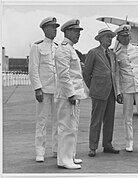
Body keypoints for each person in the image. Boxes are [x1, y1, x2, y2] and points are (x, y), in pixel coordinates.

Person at [114, 24, 138, 152]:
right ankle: (129, 142)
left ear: (130, 36)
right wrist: (118, 91)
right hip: (127, 87)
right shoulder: (117, 53)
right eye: (123, 36)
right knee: (127, 117)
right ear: (118, 38)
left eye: (127, 36)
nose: (126, 38)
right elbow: (116, 74)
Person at [54, 19, 87, 169]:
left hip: (74, 94)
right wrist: (71, 94)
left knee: (72, 127)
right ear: (67, 32)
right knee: (66, 127)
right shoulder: (63, 49)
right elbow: (63, 74)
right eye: (75, 32)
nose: (78, 35)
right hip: (67, 95)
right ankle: (64, 160)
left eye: (79, 32)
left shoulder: (70, 48)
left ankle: (70, 156)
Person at [83, 28, 120, 157]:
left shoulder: (112, 54)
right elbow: (86, 74)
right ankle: (93, 146)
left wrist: (117, 91)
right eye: (107, 37)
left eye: (111, 37)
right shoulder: (93, 53)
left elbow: (114, 74)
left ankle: (107, 144)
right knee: (96, 120)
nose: (110, 39)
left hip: (111, 92)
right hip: (99, 92)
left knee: (109, 120)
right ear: (100, 39)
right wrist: (93, 87)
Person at [29, 17, 60, 162]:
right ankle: (40, 152)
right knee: (41, 121)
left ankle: (56, 149)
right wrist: (37, 88)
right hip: (44, 89)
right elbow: (33, 69)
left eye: (56, 27)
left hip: (57, 90)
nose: (55, 30)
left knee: (58, 121)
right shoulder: (37, 47)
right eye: (53, 27)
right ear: (45, 29)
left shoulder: (57, 47)